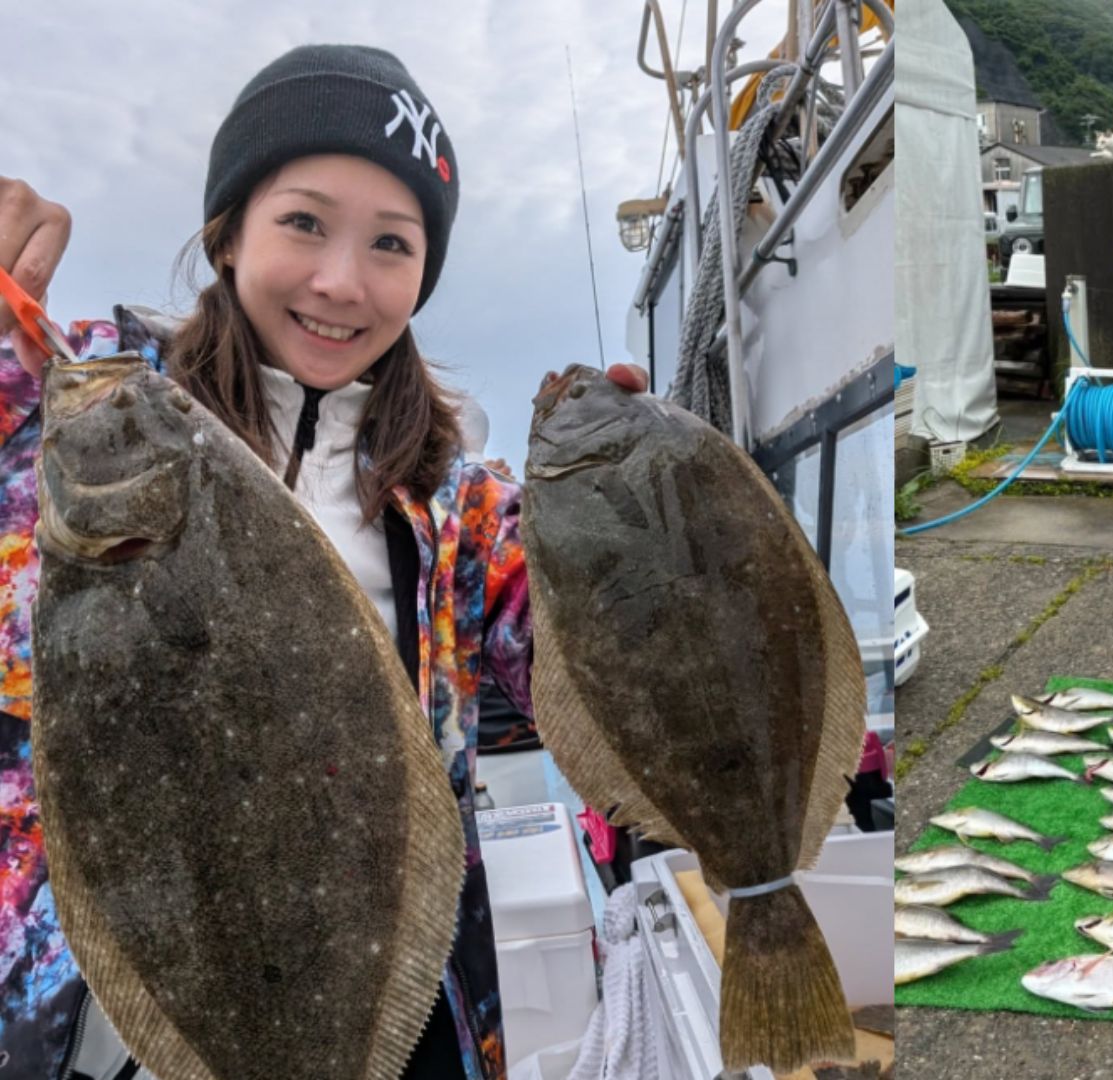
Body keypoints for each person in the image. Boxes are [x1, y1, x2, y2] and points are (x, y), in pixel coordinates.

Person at [0, 45, 649, 1080]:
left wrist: (623, 499)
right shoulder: (58, 410)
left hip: (388, 994)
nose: (342, 282)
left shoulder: (461, 505)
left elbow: (601, 665)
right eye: (303, 222)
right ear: (226, 234)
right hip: (101, 1029)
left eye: (392, 244)